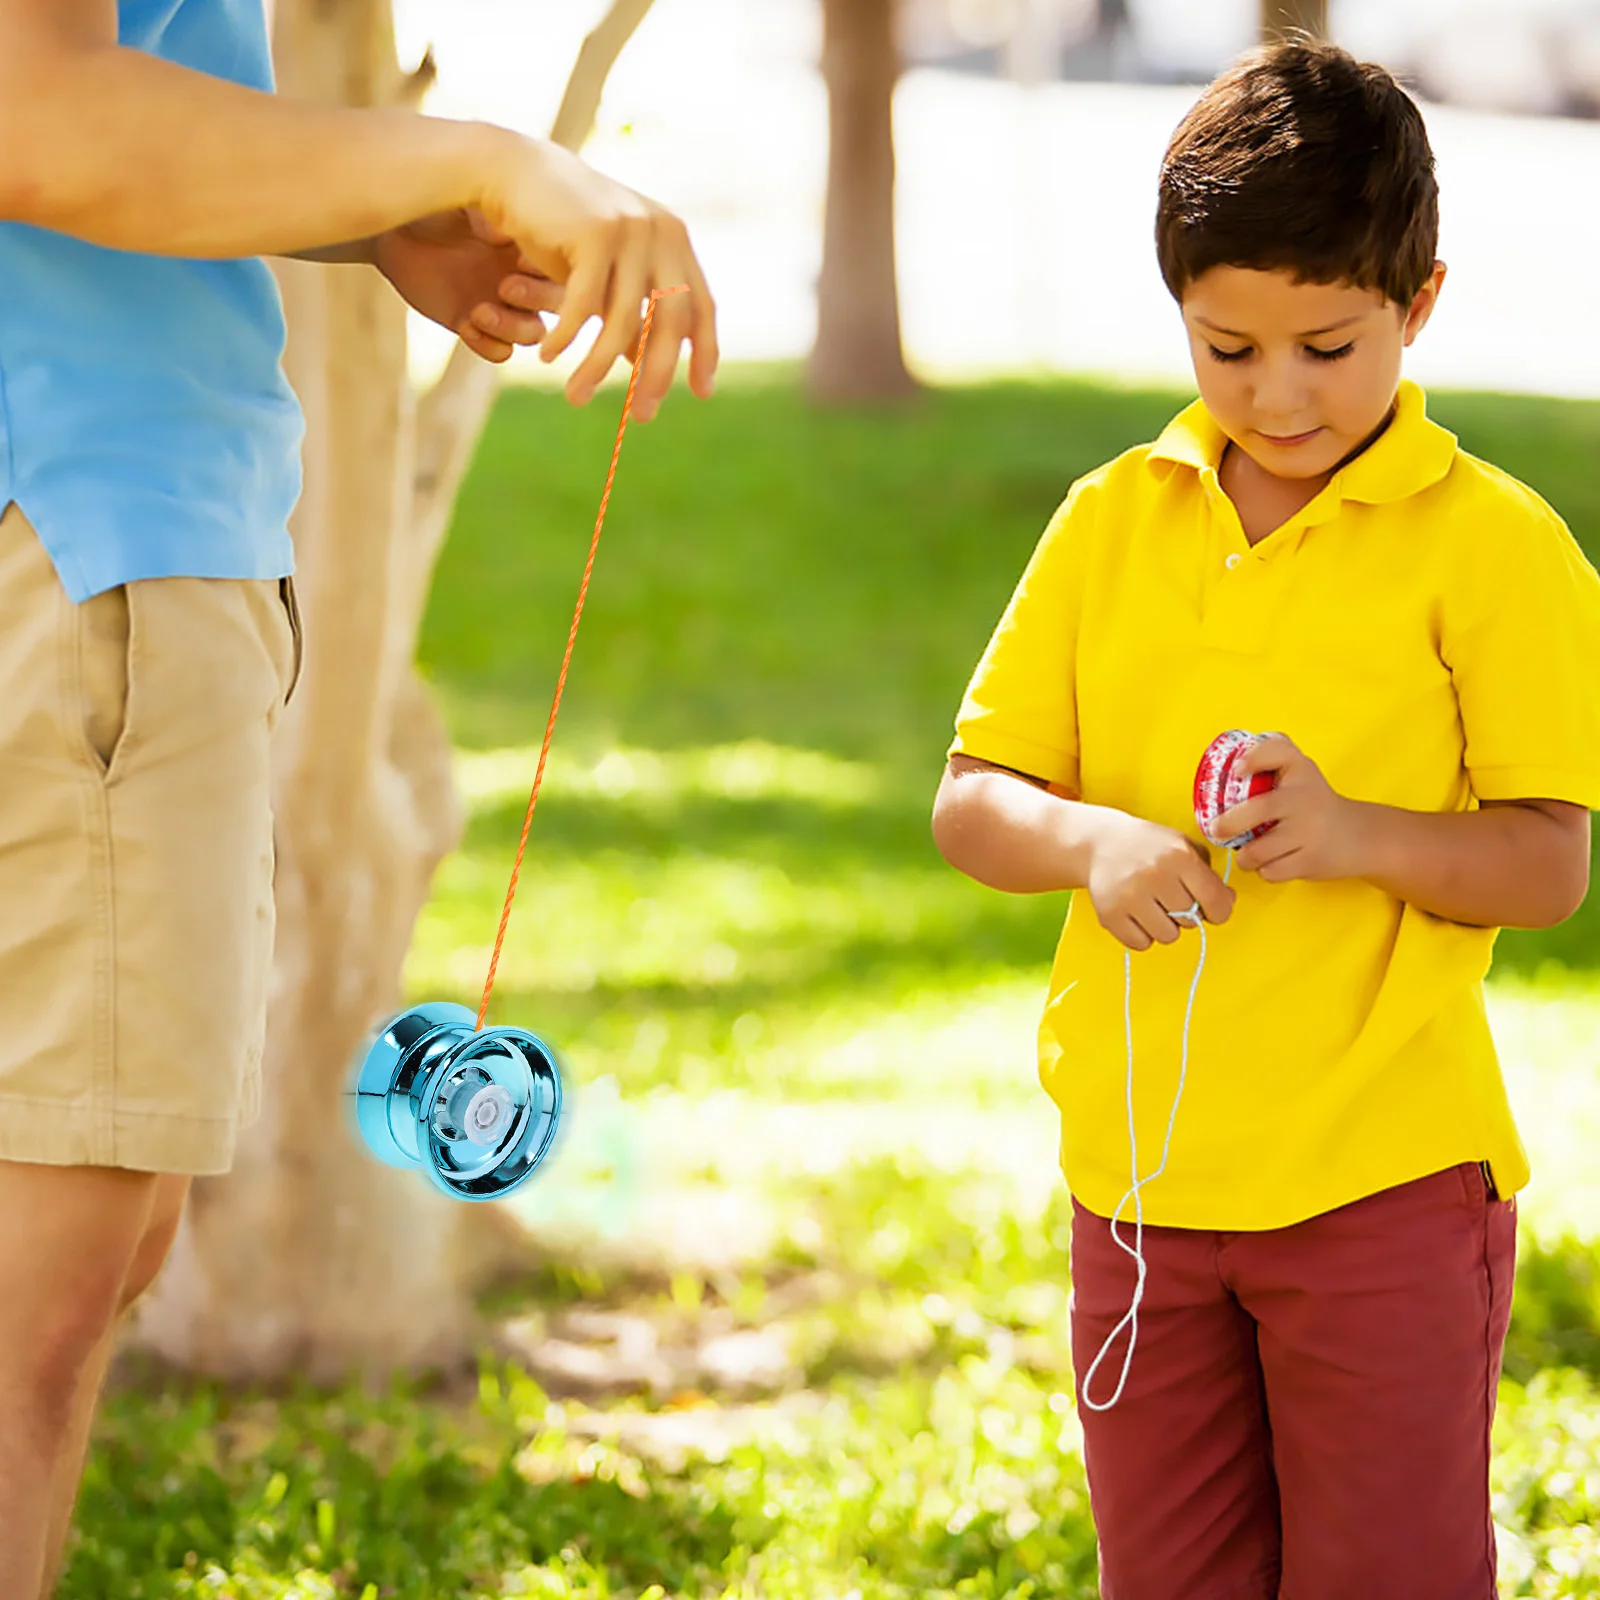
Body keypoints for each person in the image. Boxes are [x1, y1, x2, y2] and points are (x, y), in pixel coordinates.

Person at [0, 1, 717, 1593]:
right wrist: (469, 155)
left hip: (102, 519)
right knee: (38, 1306)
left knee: (99, 1252)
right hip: (78, 529)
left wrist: (375, 212)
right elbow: (38, 114)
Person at [932, 39, 1600, 1600]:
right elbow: (975, 802)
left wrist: (1360, 831)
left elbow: (1549, 863)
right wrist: (1088, 843)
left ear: (1419, 303)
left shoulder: (1495, 547)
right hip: (1142, 1194)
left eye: (1328, 345)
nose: (1277, 395)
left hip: (1380, 1188)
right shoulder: (1112, 520)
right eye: (1227, 349)